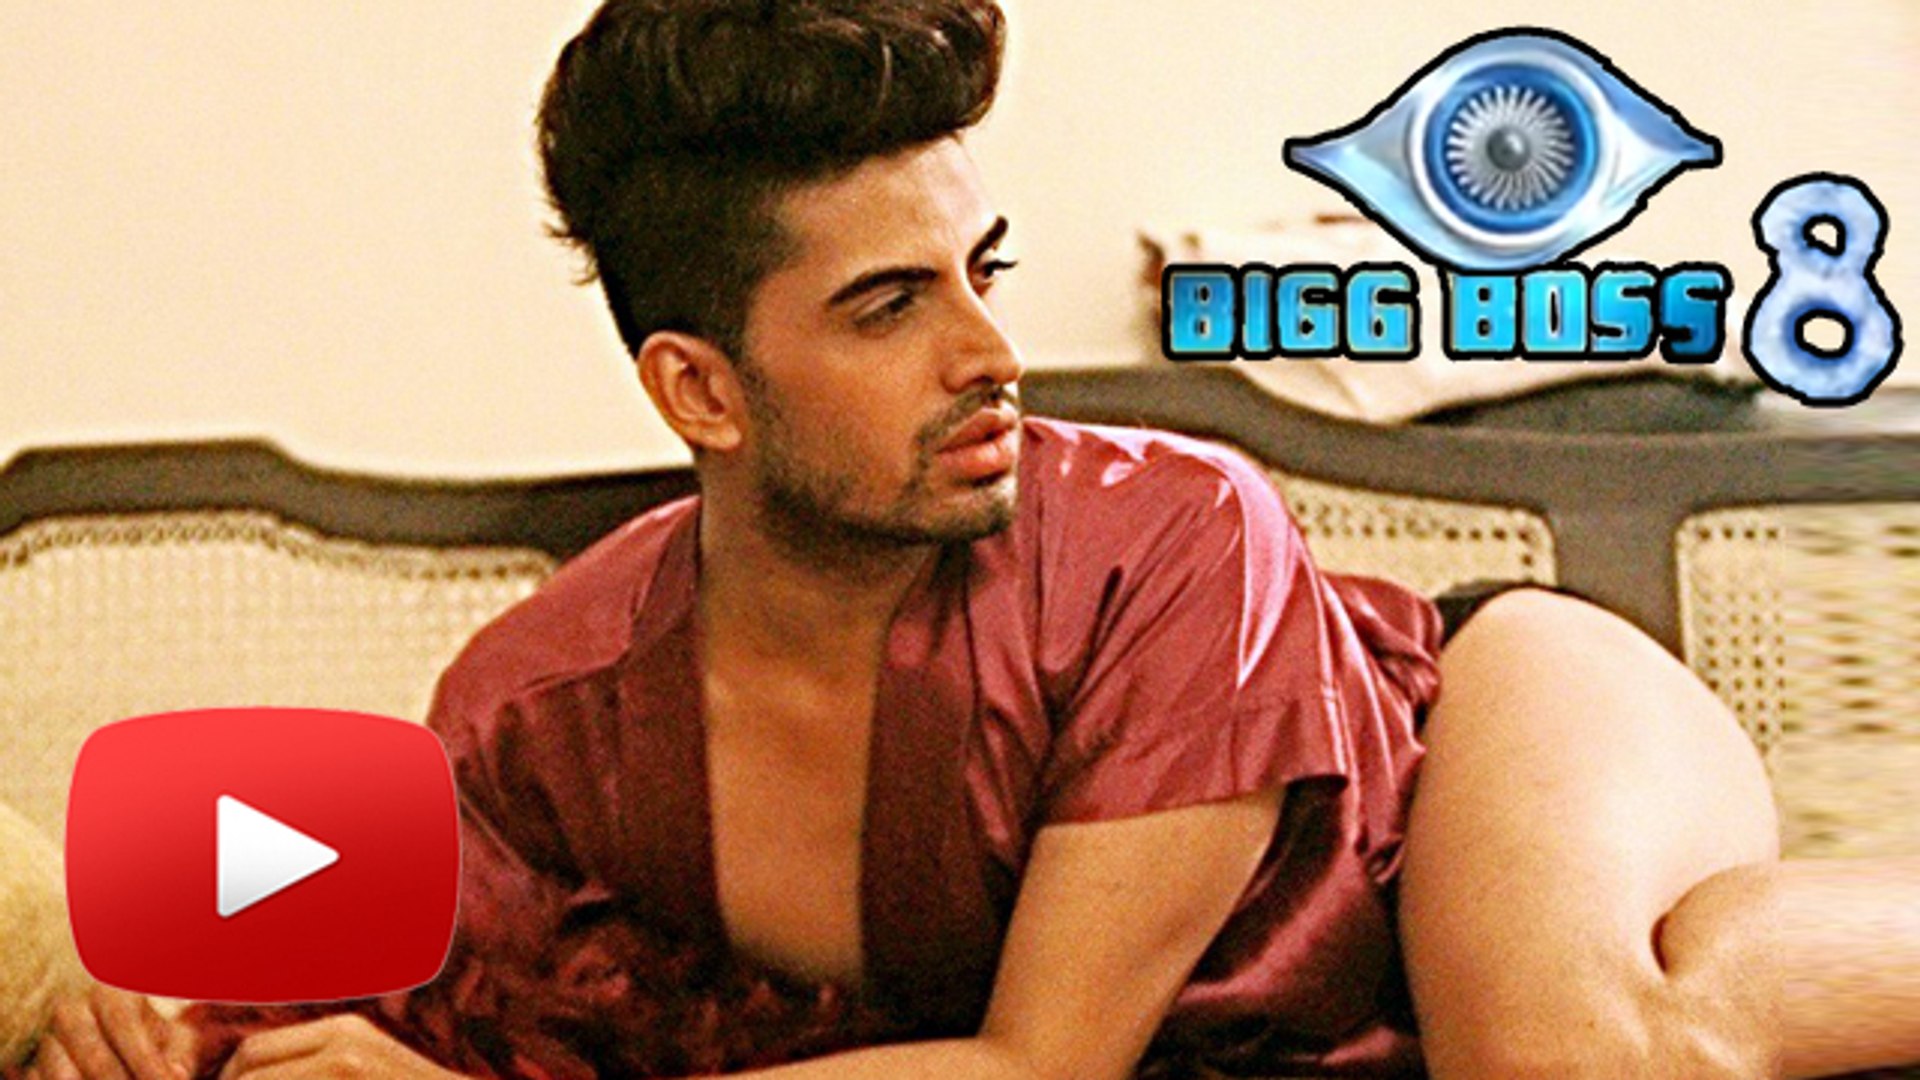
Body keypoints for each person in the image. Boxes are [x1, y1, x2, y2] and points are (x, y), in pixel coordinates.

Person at [23, 2, 1920, 1078]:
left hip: (1480, 712)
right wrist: (104, 970)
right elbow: (288, 932)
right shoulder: (545, 705)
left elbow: (1037, 1076)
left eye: (980, 272)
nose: (993, 352)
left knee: (1570, 1056)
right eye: (887, 307)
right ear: (699, 391)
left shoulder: (1180, 529)